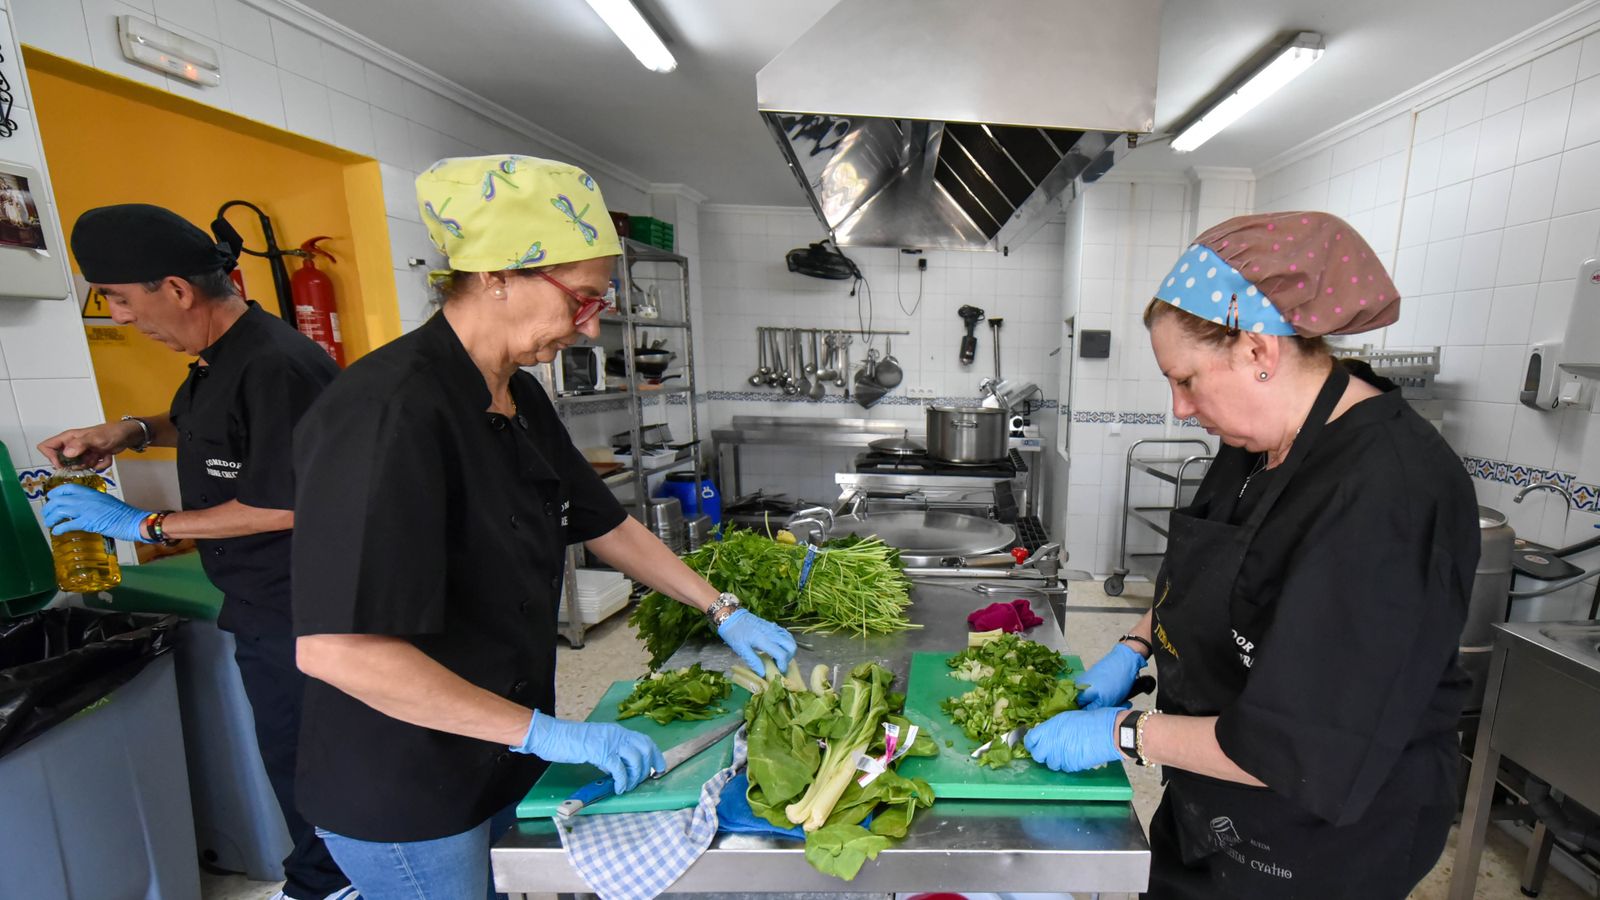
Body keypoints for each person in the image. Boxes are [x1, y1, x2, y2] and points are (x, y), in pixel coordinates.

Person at [289, 154, 797, 897]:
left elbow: (603, 522)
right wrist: (546, 734)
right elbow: (339, 652)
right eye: (581, 299)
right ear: (498, 275)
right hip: (408, 780)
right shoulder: (386, 413)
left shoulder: (518, 396)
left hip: (498, 747)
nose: (590, 330)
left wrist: (721, 608)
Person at [1024, 212, 1479, 898]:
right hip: (1213, 801)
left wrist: (1125, 734)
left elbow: (1305, 742)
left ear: (1258, 350)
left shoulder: (1389, 492)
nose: (1179, 408)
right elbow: (1201, 576)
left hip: (1322, 843)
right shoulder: (1255, 444)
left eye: (1187, 380)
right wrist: (1135, 644)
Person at [38, 204, 352, 900]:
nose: (120, 316)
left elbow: (288, 500)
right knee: (294, 762)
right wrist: (127, 431)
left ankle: (332, 888)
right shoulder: (222, 357)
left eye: (120, 298)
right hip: (263, 604)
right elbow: (205, 425)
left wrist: (145, 523)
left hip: (301, 609)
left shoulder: (276, 364)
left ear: (175, 290)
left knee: (316, 772)